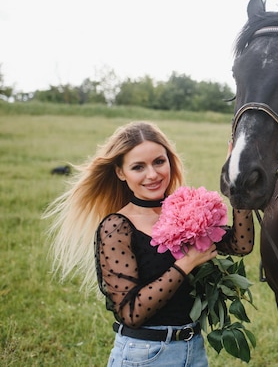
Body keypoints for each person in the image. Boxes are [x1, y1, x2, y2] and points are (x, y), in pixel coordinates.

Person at [44, 121, 254, 367]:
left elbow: (241, 244)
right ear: (121, 173)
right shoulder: (117, 227)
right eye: (138, 167)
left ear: (170, 161)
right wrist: (186, 263)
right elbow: (132, 312)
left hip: (194, 350)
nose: (153, 175)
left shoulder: (186, 211)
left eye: (158, 162)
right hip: (144, 355)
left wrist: (238, 182)